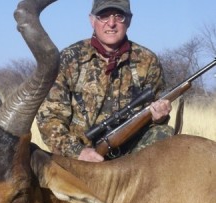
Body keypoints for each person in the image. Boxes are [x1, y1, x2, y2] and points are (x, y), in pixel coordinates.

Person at [36, 0, 174, 162]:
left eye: (119, 16)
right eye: (103, 16)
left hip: (130, 158)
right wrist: (77, 151)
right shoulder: (69, 58)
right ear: (92, 20)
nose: (111, 23)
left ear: (129, 20)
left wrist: (160, 117)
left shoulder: (148, 61)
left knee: (164, 133)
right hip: (80, 156)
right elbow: (49, 117)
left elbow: (154, 117)